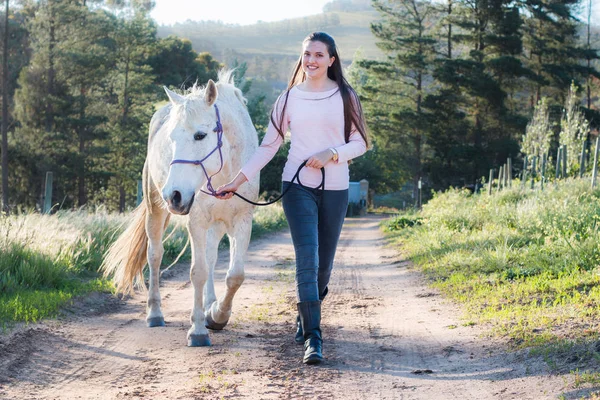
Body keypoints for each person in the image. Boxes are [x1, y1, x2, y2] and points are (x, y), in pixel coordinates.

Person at [216, 31, 368, 365]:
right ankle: (314, 338)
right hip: (296, 187)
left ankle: (306, 317)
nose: (311, 61)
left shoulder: (345, 96)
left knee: (324, 268)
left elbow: (360, 143)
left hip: (336, 188)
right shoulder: (288, 99)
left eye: (318, 55)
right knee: (307, 260)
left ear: (331, 59)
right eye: (306, 54)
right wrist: (237, 180)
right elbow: (269, 145)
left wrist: (332, 153)